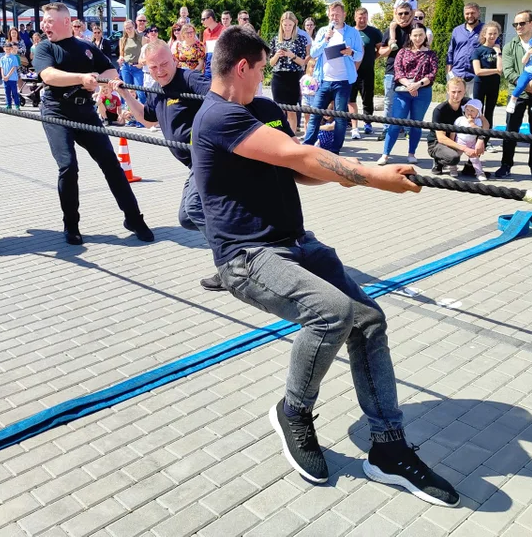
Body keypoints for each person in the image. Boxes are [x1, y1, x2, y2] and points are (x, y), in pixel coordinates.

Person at [191, 25, 458, 507]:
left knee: (369, 320)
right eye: (262, 68)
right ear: (244, 66)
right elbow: (297, 152)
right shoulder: (217, 117)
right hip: (247, 257)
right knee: (332, 312)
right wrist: (371, 175)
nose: (266, 78)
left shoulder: (266, 110)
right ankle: (293, 412)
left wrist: (346, 176)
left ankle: (388, 447)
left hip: (296, 243)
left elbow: (296, 167)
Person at [33, 2, 154, 245]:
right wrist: (81, 78)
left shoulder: (86, 47)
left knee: (111, 163)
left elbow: (111, 72)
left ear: (66, 22)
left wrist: (98, 81)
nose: (45, 25)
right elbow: (48, 76)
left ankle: (133, 217)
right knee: (68, 166)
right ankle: (71, 224)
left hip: (85, 111)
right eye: (44, 21)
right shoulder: (45, 48)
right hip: (56, 111)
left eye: (50, 21)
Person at [112, 40, 222, 291]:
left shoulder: (190, 79)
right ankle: (236, 241)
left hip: (210, 158)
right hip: (195, 163)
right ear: (146, 67)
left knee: (194, 209)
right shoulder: (156, 91)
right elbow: (148, 120)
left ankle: (233, 265)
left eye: (164, 63)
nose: (160, 70)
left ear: (174, 59)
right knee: (186, 218)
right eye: (154, 67)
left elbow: (222, 97)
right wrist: (125, 93)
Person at [494, 11, 532, 181]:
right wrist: (525, 84)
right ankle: (506, 165)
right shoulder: (510, 46)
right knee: (511, 131)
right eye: (515, 24)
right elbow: (508, 71)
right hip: (517, 94)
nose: (518, 27)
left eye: (522, 23)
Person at [303, 2, 363, 153]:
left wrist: (351, 52)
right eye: (331, 15)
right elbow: (314, 53)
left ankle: (335, 149)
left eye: (337, 14)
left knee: (340, 117)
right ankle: (307, 147)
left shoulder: (352, 32)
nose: (334, 17)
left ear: (344, 15)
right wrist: (325, 40)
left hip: (342, 81)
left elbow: (360, 54)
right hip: (324, 80)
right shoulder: (323, 30)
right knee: (315, 114)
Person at [378, 25, 438, 165]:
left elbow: (432, 74)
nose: (418, 38)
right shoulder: (402, 52)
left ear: (425, 36)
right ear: (410, 36)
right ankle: (385, 154)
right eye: (415, 35)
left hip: (422, 92)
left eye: (421, 35)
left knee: (416, 124)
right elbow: (398, 72)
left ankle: (412, 153)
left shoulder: (431, 54)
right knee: (395, 123)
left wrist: (418, 84)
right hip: (402, 92)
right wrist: (409, 85)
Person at [428, 77, 484, 176]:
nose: (456, 95)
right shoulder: (440, 110)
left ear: (465, 91)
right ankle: (439, 161)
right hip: (438, 143)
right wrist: (465, 149)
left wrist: (481, 139)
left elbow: (485, 123)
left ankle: (470, 166)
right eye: (453, 92)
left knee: (485, 136)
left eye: (459, 91)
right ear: (448, 91)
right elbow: (441, 138)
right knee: (453, 158)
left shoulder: (469, 104)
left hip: (459, 138)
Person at [269, 11, 309, 134]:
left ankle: (291, 135)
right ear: (281, 24)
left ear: (294, 25)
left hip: (293, 76)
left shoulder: (301, 39)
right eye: (285, 25)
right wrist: (277, 55)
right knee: (279, 109)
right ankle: (280, 134)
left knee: (292, 110)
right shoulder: (275, 39)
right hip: (278, 76)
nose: (287, 28)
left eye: (289, 25)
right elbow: (271, 62)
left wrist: (292, 56)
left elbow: (303, 62)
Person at [378, 3, 414, 136]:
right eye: (400, 13)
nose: (403, 16)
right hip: (392, 71)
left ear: (411, 14)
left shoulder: (415, 29)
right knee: (389, 101)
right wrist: (390, 48)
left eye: (406, 13)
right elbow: (380, 51)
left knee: (409, 100)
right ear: (396, 15)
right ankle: (387, 129)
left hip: (410, 72)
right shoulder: (390, 30)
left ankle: (407, 129)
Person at [349, 7, 383, 139]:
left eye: (364, 17)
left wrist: (371, 58)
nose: (362, 20)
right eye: (359, 17)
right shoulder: (350, 32)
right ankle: (350, 122)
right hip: (351, 71)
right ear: (355, 17)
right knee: (350, 98)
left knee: (367, 98)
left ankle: (368, 122)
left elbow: (380, 49)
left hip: (367, 71)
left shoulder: (374, 32)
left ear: (367, 18)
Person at [472, 21, 504, 138]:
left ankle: (487, 138)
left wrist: (498, 52)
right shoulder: (478, 51)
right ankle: (476, 135)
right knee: (477, 110)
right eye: (490, 33)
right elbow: (478, 71)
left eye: (495, 34)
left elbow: (501, 69)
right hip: (480, 84)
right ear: (484, 34)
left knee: (489, 112)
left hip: (494, 85)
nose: (492, 36)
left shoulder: (498, 51)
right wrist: (495, 71)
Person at [446, 2, 483, 98]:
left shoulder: (485, 30)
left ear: (479, 13)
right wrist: (449, 74)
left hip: (475, 77)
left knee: (473, 108)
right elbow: (450, 52)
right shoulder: (457, 30)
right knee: (453, 108)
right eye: (467, 13)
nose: (470, 16)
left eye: (473, 13)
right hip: (456, 75)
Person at [453, 99, 489, 181]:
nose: (469, 112)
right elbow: (453, 131)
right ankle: (453, 168)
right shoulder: (460, 119)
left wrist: (472, 124)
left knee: (475, 159)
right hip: (460, 141)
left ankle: (479, 173)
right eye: (467, 109)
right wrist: (452, 141)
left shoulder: (478, 121)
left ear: (478, 113)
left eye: (473, 111)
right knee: (455, 156)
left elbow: (480, 131)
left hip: (472, 142)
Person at [118, 19, 145, 103]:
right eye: (126, 28)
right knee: (127, 92)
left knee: (140, 91)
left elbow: (145, 53)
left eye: (130, 27)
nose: (128, 30)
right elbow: (121, 53)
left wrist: (142, 63)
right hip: (126, 66)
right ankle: (128, 111)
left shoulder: (141, 38)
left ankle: (146, 111)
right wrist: (121, 58)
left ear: (134, 27)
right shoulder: (123, 39)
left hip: (137, 67)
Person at [201, 9, 225, 78]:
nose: (201, 21)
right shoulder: (205, 32)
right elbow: (205, 51)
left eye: (203, 19)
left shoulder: (224, 30)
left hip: (220, 69)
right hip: (208, 70)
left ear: (210, 18)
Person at [0, 42, 22, 108]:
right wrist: (3, 76)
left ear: (11, 49)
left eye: (9, 49)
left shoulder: (14, 57)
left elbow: (13, 67)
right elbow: (2, 68)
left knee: (14, 92)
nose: (8, 50)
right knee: (7, 92)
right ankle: (8, 104)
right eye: (6, 49)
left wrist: (8, 76)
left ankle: (17, 105)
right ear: (4, 49)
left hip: (12, 78)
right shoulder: (2, 58)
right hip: (5, 79)